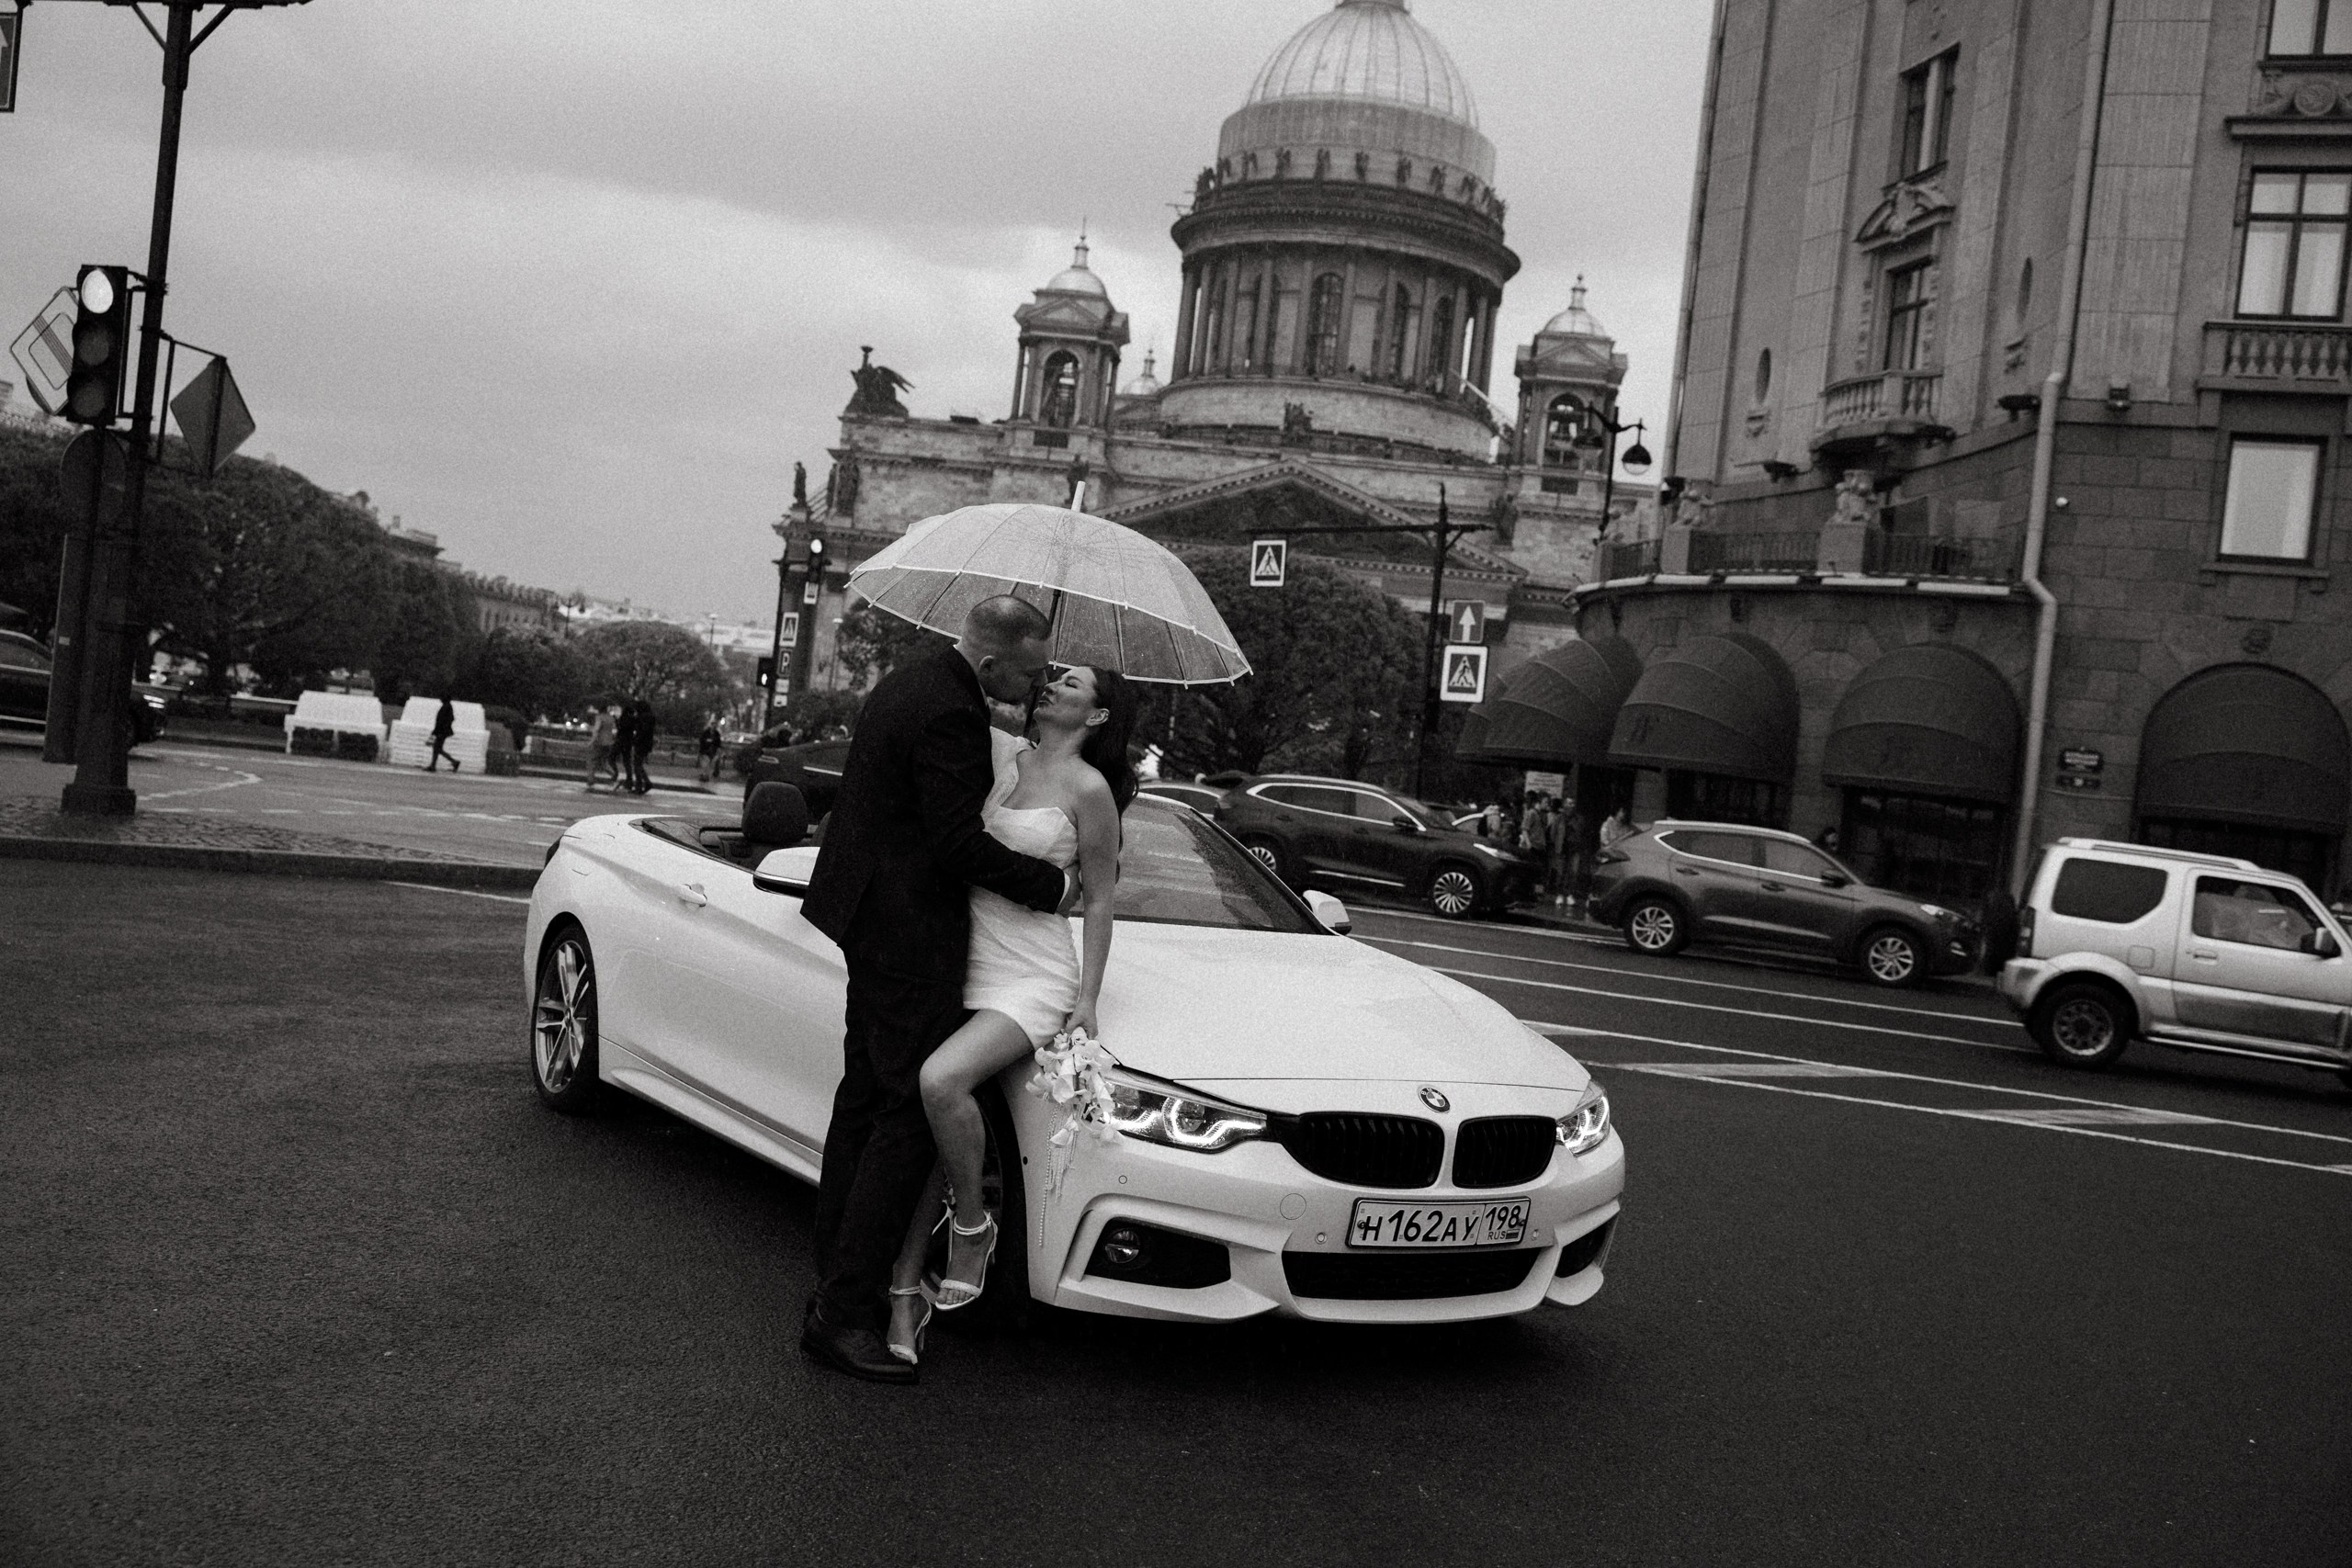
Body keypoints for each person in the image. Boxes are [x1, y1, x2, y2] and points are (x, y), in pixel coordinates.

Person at [797, 596, 1078, 1384]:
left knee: (862, 1102)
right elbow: (957, 843)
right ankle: (843, 1312)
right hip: (910, 934)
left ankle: (833, 1280)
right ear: (990, 662)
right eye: (1029, 671)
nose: (1037, 682)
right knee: (901, 1117)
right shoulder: (953, 712)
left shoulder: (909, 682)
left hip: (870, 920)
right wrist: (1051, 887)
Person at [883, 663, 1136, 1364]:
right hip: (964, 957)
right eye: (1052, 677)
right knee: (928, 1136)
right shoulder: (1001, 756)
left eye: (1072, 684)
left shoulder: (1092, 790)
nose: (1052, 685)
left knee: (941, 1081)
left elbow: (1100, 900)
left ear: (1098, 715)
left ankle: (972, 1226)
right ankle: (904, 1291)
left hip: (1032, 975)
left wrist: (1088, 997)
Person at [584, 703, 619, 791]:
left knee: (592, 761)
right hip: (609, 743)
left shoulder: (599, 717)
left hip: (600, 742)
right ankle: (614, 777)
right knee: (604, 763)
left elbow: (596, 730)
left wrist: (591, 742)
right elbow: (614, 730)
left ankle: (590, 781)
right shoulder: (611, 718)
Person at [628, 699, 657, 795]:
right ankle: (646, 783)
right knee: (639, 764)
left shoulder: (642, 718)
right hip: (647, 743)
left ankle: (639, 786)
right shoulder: (651, 717)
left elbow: (641, 731)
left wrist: (635, 739)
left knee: (637, 765)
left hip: (641, 743)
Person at [424, 696, 458, 773]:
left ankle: (453, 762)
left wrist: (436, 731)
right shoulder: (448, 707)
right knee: (437, 748)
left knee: (437, 748)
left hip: (442, 732)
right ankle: (452, 762)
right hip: (443, 731)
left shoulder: (446, 707)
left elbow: (441, 721)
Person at [697, 718, 723, 785]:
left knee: (710, 764)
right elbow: (702, 740)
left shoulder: (717, 734)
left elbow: (718, 743)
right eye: (712, 725)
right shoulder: (706, 732)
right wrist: (707, 741)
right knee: (706, 763)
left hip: (713, 751)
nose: (713, 726)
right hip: (705, 750)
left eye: (715, 725)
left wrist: (718, 749)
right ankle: (705, 775)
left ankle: (706, 775)